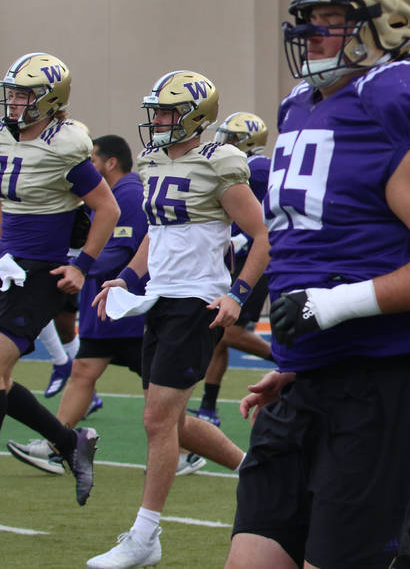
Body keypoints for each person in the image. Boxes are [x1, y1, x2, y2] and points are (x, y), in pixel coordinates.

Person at [225, 0, 410, 569]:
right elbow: (325, 244)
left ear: (389, 20)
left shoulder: (392, 102)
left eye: (328, 17)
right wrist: (302, 359)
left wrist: (331, 308)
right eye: (306, 15)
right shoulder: (305, 105)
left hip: (388, 380)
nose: (307, 30)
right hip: (315, 377)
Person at [87, 71, 268, 569]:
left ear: (195, 117)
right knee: (173, 421)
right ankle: (260, 472)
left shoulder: (220, 162)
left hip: (198, 302)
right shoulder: (151, 160)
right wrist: (126, 277)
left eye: (167, 112)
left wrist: (237, 294)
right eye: (157, 112)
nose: (158, 121)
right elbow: (156, 236)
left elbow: (261, 235)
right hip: (161, 299)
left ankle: (145, 536)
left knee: (156, 420)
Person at [6, 134, 205, 477]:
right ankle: (60, 445)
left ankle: (187, 451)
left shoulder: (127, 192)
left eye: (94, 158)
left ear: (110, 162)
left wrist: (80, 264)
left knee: (161, 396)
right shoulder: (111, 191)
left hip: (125, 308)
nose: (89, 163)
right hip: (105, 307)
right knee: (83, 371)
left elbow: (124, 249)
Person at [0, 52, 119, 507]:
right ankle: (71, 443)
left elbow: (106, 208)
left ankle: (69, 444)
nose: (13, 101)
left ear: (50, 100)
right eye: (11, 91)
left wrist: (82, 265)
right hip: (8, 267)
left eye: (24, 94)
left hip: (42, 273)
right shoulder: (7, 137)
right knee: (2, 378)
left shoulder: (64, 144)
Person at [188, 111, 273, 428]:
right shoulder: (237, 165)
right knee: (220, 335)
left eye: (233, 138)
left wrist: (240, 236)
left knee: (228, 330)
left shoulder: (258, 167)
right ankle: (209, 407)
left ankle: (288, 362)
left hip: (257, 260)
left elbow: (264, 213)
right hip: (240, 257)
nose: (224, 142)